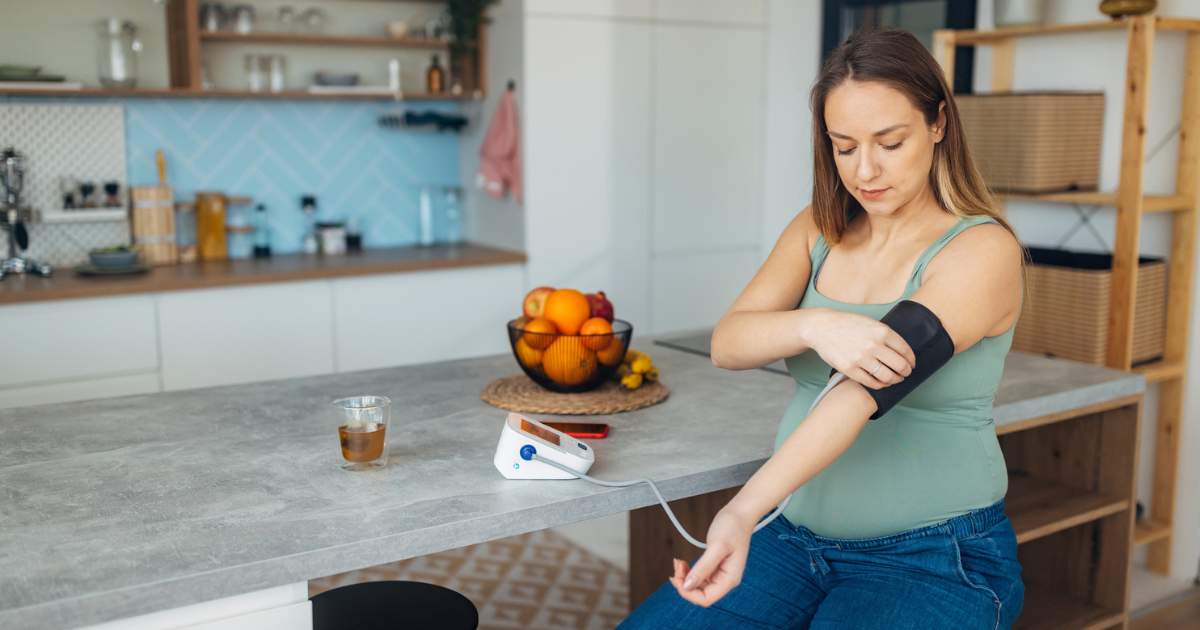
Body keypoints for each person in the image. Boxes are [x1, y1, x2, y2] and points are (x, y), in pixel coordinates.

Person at [618, 28, 1025, 630]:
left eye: (890, 142)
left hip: (933, 558)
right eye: (843, 146)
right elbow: (729, 342)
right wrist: (817, 324)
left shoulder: (982, 250)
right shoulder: (818, 228)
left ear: (939, 123)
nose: (866, 170)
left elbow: (859, 393)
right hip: (792, 538)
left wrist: (740, 511)